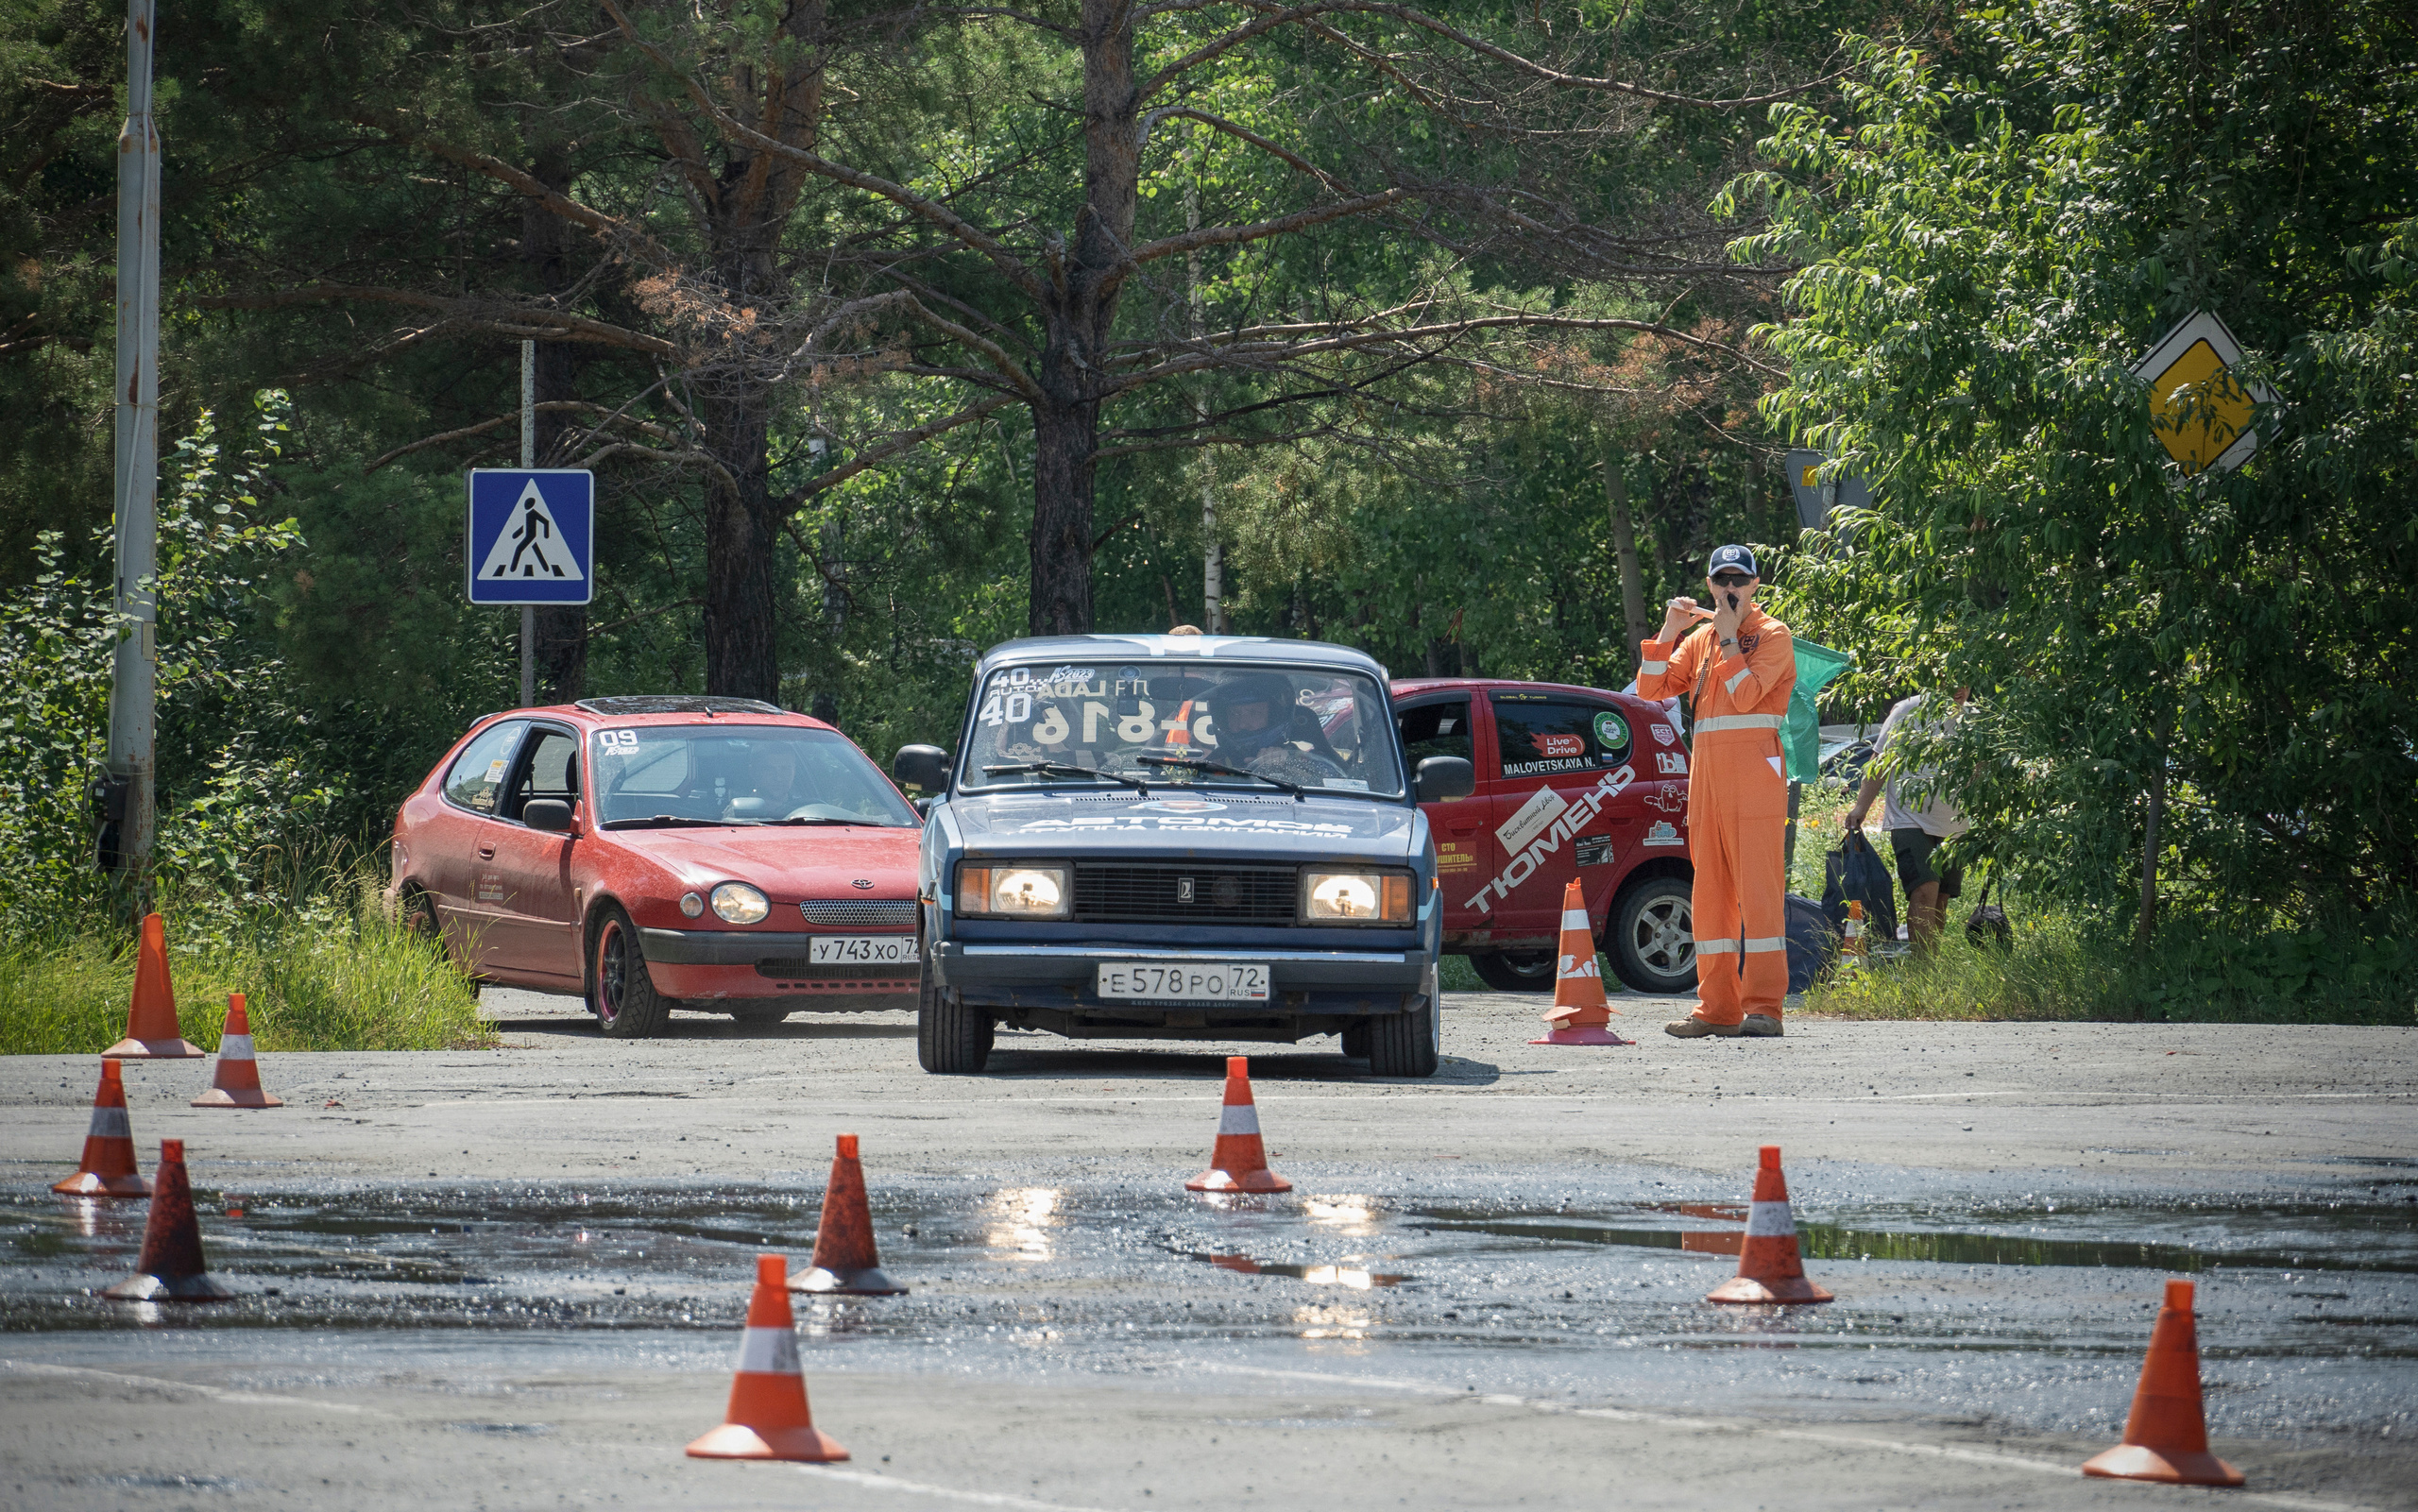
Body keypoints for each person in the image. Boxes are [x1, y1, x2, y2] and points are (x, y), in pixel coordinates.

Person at [1636, 544, 1796, 1039]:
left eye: (1739, 580)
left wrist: (1729, 642)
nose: (1730, 589)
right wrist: (1669, 632)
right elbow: (1650, 690)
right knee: (1710, 899)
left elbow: (1747, 697)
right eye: (1721, 581)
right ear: (1709, 585)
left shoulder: (1773, 635)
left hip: (1755, 784)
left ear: (1754, 586)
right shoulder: (1700, 639)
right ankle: (1717, 1009)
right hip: (1706, 784)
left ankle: (1765, 1008)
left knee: (1760, 899)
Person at [1846, 688, 1971, 953]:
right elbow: (1880, 760)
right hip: (1909, 817)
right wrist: (1861, 807)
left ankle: (1931, 967)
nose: (1960, 689)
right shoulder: (1908, 710)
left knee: (1941, 898)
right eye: (1952, 681)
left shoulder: (1974, 719)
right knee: (1925, 890)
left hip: (1956, 823)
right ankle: (1921, 968)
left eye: (1966, 682)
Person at [1202, 672, 1342, 787]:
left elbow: (1339, 787)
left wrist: (1287, 768)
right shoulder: (1215, 761)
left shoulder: (1306, 761)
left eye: (1254, 713)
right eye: (1235, 714)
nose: (1243, 724)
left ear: (1275, 716)